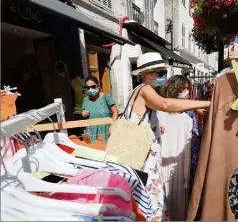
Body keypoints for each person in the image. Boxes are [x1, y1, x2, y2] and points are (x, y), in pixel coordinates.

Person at [125, 52, 210, 221]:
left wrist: (156, 128)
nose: (164, 76)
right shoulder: (145, 89)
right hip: (143, 158)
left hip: (143, 156)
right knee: (152, 204)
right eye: (161, 73)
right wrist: (207, 102)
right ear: (148, 74)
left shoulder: (137, 91)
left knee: (148, 202)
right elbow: (166, 104)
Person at [161, 75, 203, 197]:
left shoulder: (189, 105)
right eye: (183, 88)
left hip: (190, 144)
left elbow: (201, 114)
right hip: (173, 147)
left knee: (189, 176)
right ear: (175, 88)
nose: (186, 91)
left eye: (187, 88)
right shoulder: (165, 106)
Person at [82, 76, 118, 143]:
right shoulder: (85, 100)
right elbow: (84, 113)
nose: (91, 89)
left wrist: (112, 126)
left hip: (106, 130)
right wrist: (83, 113)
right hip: (92, 131)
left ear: (98, 86)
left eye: (93, 86)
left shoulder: (106, 97)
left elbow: (115, 112)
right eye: (88, 87)